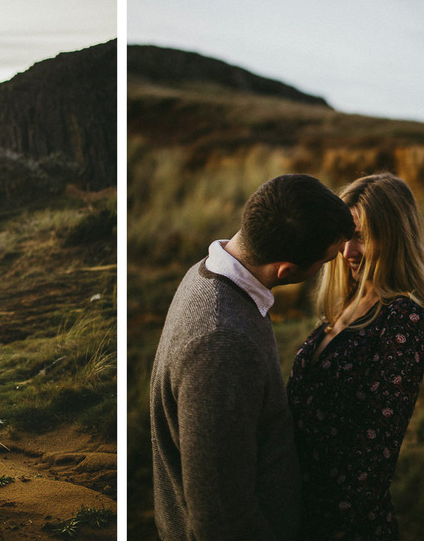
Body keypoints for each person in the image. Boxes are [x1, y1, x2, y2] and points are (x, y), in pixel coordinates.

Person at [150, 174, 355, 541]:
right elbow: (220, 520)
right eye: (325, 261)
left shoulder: (209, 273)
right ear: (286, 271)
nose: (328, 268)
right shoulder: (223, 346)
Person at [287, 172, 424, 540]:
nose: (347, 252)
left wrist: (329, 528)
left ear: (393, 237)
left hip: (343, 526)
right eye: (344, 237)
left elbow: (374, 456)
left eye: (361, 237)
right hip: (294, 508)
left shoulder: (404, 319)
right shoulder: (346, 303)